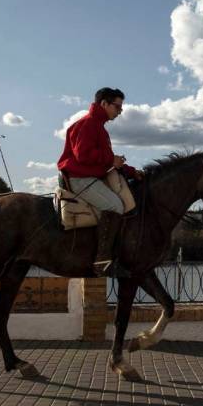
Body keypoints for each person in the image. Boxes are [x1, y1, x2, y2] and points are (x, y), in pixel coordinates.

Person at [57, 87, 143, 277]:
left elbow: (104, 160)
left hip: (89, 176)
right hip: (79, 179)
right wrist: (111, 160)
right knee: (115, 206)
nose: (120, 111)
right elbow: (83, 155)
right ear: (104, 103)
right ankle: (102, 262)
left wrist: (130, 171)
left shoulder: (97, 126)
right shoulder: (88, 124)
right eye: (117, 107)